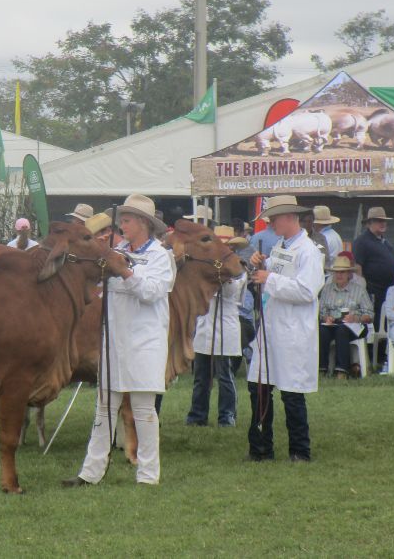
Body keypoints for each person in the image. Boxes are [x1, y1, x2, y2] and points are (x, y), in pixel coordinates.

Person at [64, 194, 175, 486]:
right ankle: (90, 473)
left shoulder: (160, 256)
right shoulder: (116, 250)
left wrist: (125, 270)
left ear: (142, 223)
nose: (121, 225)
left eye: (126, 220)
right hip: (114, 340)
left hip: (145, 342)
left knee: (142, 409)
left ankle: (149, 474)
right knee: (104, 408)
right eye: (122, 220)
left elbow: (151, 292)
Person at [247, 195, 324, 462]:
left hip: (292, 331)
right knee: (258, 386)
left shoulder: (309, 251)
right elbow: (277, 274)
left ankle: (300, 451)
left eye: (275, 218)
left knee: (292, 393)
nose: (270, 223)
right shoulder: (282, 245)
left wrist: (270, 278)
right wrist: (262, 265)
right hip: (272, 326)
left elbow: (306, 290)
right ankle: (260, 448)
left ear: (290, 217)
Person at [186, 226, 248, 427]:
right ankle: (197, 415)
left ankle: (227, 415)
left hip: (225, 325)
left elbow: (231, 292)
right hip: (205, 324)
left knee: (225, 375)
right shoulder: (203, 266)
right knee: (201, 376)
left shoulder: (240, 268)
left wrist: (221, 275)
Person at [352, 206, 394, 363]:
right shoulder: (362, 242)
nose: (382, 224)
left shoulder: (386, 244)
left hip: (388, 292)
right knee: (374, 324)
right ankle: (372, 358)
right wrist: (363, 293)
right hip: (372, 291)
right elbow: (358, 268)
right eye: (378, 221)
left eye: (384, 221)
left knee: (385, 324)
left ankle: (383, 357)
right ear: (369, 223)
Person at [318, 255, 374, 378]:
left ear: (349, 273)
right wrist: (326, 318)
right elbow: (321, 311)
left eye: (342, 272)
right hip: (333, 324)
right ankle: (322, 369)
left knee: (342, 330)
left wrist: (355, 318)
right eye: (336, 272)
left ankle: (342, 370)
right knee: (321, 331)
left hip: (355, 326)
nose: (339, 275)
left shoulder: (359, 290)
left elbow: (370, 314)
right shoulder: (327, 290)